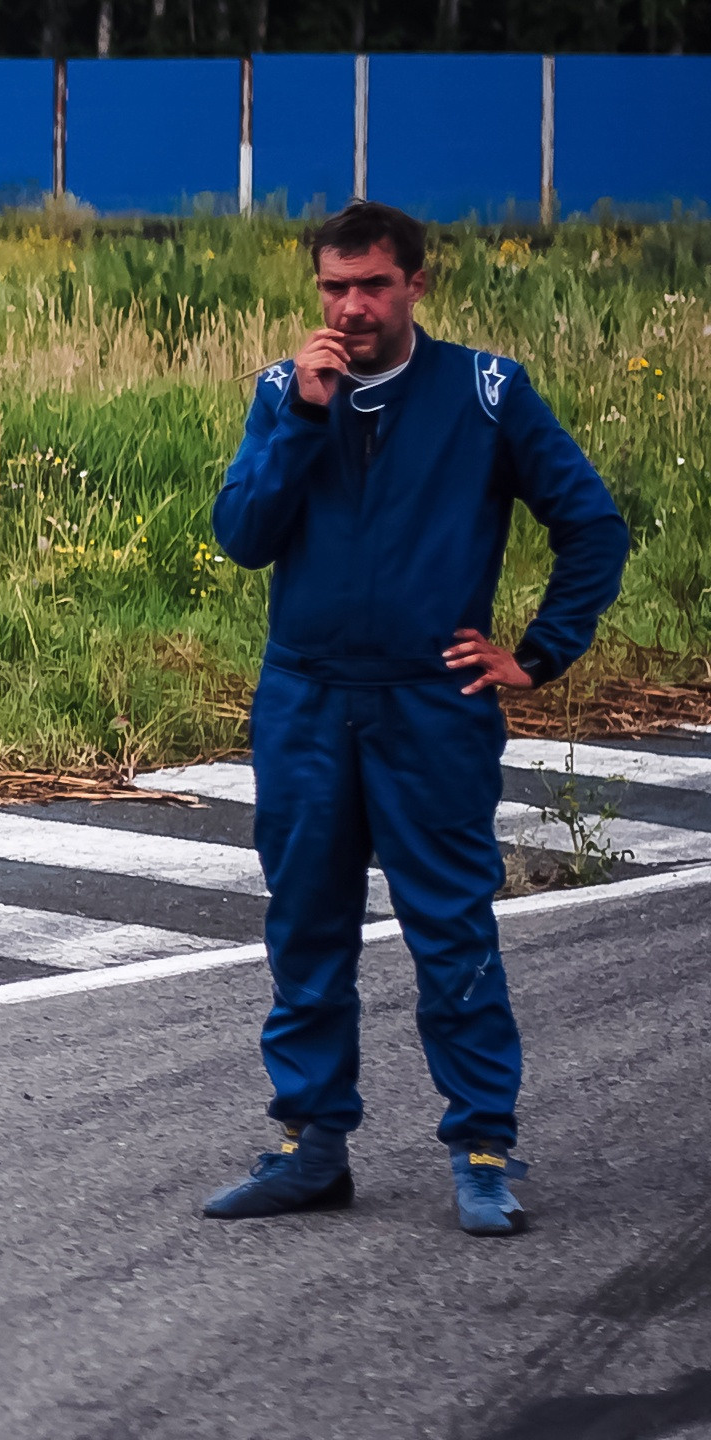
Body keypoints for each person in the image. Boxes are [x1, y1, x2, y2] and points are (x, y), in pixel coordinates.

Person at [200, 201, 628, 1237]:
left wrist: (533, 656)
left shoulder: (484, 393)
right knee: (305, 926)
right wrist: (303, 416)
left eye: (372, 286)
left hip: (430, 703)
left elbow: (592, 526)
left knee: (449, 930)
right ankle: (310, 1146)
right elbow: (243, 536)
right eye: (334, 288)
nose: (351, 308)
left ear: (414, 285)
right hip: (304, 699)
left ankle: (482, 1147)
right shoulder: (282, 392)